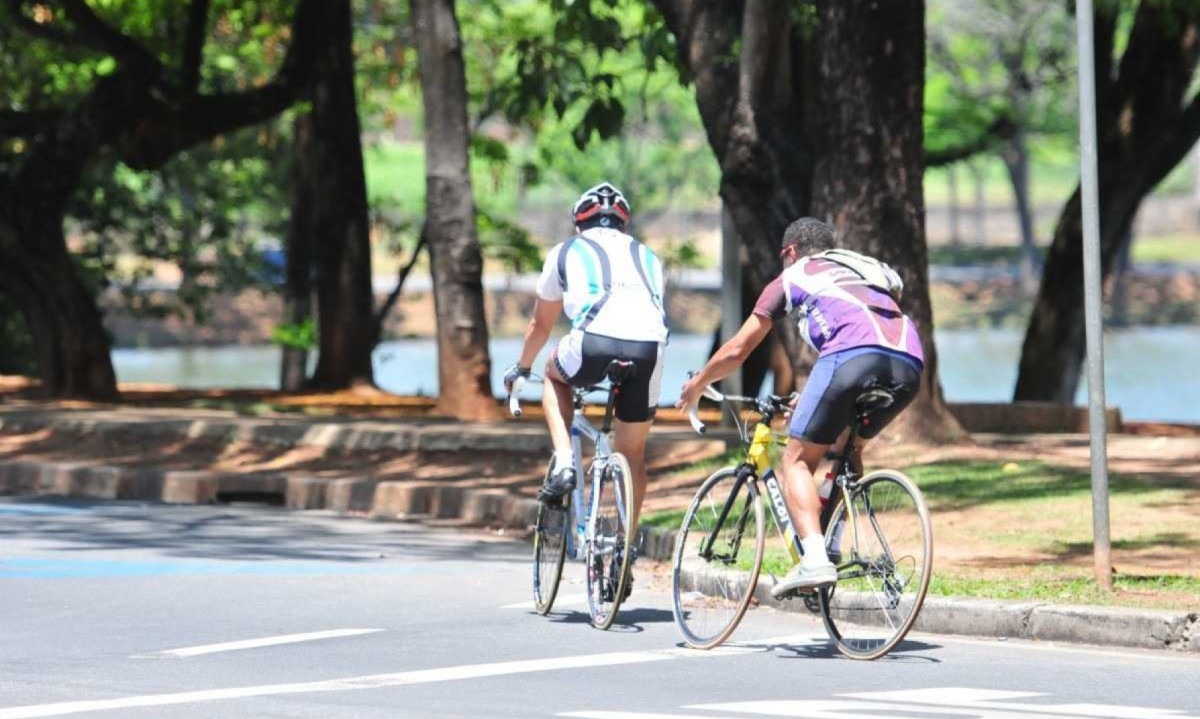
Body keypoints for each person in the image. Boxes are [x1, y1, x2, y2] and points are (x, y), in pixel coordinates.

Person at [677, 217, 923, 597]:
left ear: (789, 252)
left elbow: (739, 350)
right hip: (908, 363)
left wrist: (698, 383)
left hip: (852, 357)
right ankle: (833, 539)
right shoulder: (863, 269)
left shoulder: (793, 276)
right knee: (848, 449)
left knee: (796, 460)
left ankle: (814, 558)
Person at [503, 182, 669, 540]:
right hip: (650, 348)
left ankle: (565, 461)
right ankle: (627, 544)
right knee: (633, 454)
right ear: (623, 224)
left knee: (554, 375)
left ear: (579, 223)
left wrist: (521, 367)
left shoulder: (565, 251)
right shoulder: (650, 257)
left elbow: (541, 324)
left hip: (594, 342)